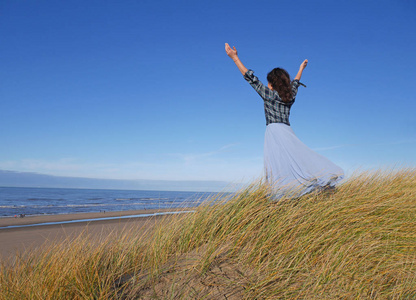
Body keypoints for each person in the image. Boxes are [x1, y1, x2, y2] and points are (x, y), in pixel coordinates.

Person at [225, 43, 344, 197]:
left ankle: (280, 196)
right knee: (297, 159)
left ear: (272, 84)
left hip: (274, 132)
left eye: (269, 82)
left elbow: (251, 79)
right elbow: (295, 84)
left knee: (277, 165)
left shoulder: (269, 95)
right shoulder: (290, 97)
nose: (267, 84)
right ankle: (309, 188)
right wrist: (301, 69)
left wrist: (235, 58)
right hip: (287, 131)